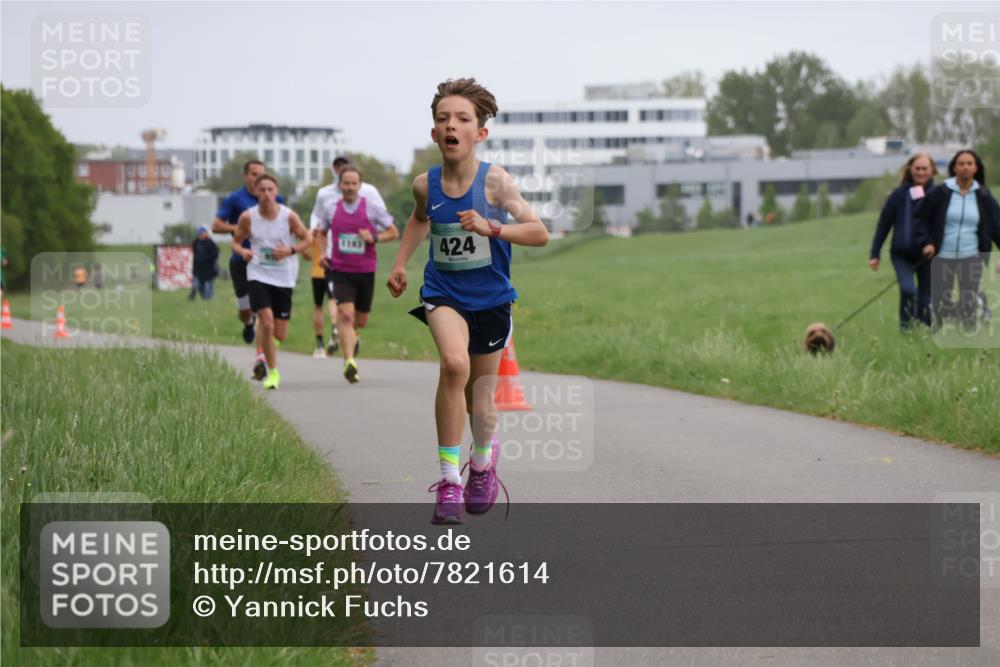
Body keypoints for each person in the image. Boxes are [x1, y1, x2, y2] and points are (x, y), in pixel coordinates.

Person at [386, 78, 549, 524]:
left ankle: (481, 463)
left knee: (482, 400)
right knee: (453, 366)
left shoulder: (495, 182)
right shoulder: (425, 184)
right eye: (443, 119)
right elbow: (420, 219)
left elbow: (539, 233)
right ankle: (449, 483)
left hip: (492, 298)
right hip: (444, 293)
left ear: (480, 133)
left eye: (462, 118)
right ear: (434, 134)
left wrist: (491, 227)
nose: (451, 125)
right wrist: (401, 262)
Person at [316, 166, 399, 382]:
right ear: (340, 185)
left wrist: (374, 237)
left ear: (360, 186)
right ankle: (349, 361)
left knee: (360, 320)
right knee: (345, 315)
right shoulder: (331, 208)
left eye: (354, 183)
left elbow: (393, 232)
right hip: (340, 270)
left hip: (365, 270)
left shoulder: (371, 208)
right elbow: (321, 233)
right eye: (346, 183)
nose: (350, 187)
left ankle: (353, 337)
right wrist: (323, 252)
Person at [232, 174, 310, 390]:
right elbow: (236, 243)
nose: (266, 194)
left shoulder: (288, 216)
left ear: (276, 192)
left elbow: (308, 239)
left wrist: (291, 250)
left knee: (279, 333)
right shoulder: (248, 217)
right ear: (255, 193)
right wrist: (243, 251)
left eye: (270, 190)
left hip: (284, 277)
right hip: (258, 274)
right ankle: (273, 372)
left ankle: (265, 353)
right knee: (266, 322)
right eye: (262, 190)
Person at [914, 149, 1000, 330]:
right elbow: (921, 219)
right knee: (941, 301)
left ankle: (968, 337)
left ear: (976, 168)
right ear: (954, 167)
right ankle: (938, 334)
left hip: (971, 256)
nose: (965, 168)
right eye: (961, 164)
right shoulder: (940, 192)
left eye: (969, 164)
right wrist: (927, 242)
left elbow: (996, 225)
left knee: (968, 301)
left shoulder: (984, 196)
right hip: (943, 255)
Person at [211, 160, 287, 359]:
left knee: (265, 313)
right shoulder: (235, 199)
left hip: (266, 263)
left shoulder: (275, 198)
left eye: (261, 174)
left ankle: (261, 356)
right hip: (242, 260)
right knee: (246, 310)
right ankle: (247, 323)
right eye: (253, 174)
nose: (257, 179)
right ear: (246, 176)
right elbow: (216, 225)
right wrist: (240, 229)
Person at [869, 153, 937, 329]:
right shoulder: (898, 195)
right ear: (910, 170)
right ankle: (906, 329)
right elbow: (884, 224)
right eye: (917, 168)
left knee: (926, 298)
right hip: (902, 254)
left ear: (932, 171)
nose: (921, 172)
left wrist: (935, 244)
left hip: (928, 256)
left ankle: (925, 331)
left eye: (924, 169)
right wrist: (875, 253)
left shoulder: (939, 195)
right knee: (908, 290)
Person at [190, 226, 220, 300]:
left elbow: (215, 254)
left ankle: (208, 299)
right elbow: (195, 253)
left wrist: (207, 259)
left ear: (206, 234)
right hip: (198, 269)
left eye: (202, 233)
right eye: (199, 234)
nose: (200, 235)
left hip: (208, 270)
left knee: (208, 285)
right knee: (198, 286)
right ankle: (201, 297)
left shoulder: (210, 243)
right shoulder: (196, 243)